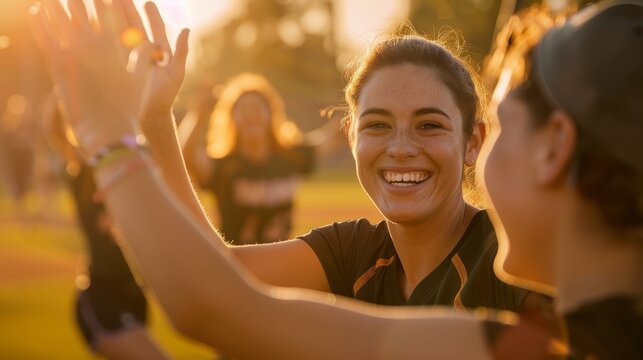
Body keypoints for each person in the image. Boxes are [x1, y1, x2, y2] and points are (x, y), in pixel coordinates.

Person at [32, 0, 641, 358]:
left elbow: (213, 304)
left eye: (503, 122)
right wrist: (152, 123)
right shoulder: (359, 250)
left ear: (553, 147)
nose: (401, 147)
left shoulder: (534, 342)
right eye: (375, 124)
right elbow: (215, 276)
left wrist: (109, 136)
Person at [41, 94, 169, 360]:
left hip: (133, 291)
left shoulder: (130, 166)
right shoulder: (83, 172)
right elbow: (59, 127)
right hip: (101, 297)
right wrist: (74, 88)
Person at [180, 72, 340, 245]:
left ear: (272, 114)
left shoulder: (290, 156)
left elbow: (335, 135)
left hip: (279, 258)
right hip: (236, 262)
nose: (251, 114)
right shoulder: (224, 165)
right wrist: (197, 116)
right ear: (231, 118)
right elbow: (184, 158)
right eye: (243, 109)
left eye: (257, 107)